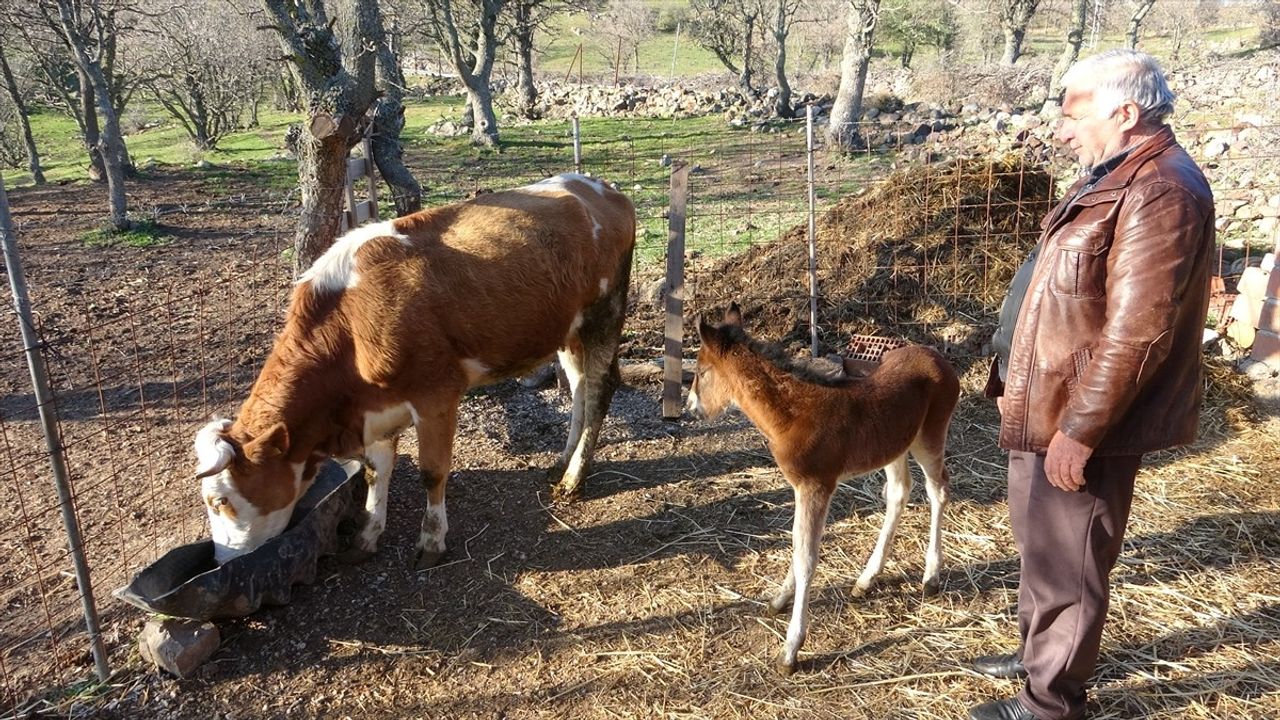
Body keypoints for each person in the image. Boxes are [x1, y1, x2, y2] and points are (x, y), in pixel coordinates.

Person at [973, 49, 1215, 720]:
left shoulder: (1161, 191)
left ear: (1125, 112)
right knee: (1043, 549)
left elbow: (1139, 332)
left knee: (1070, 564)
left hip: (1081, 416)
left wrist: (1081, 430)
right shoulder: (1115, 174)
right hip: (1047, 403)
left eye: (1072, 114)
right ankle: (1039, 657)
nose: (1059, 130)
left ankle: (1049, 704)